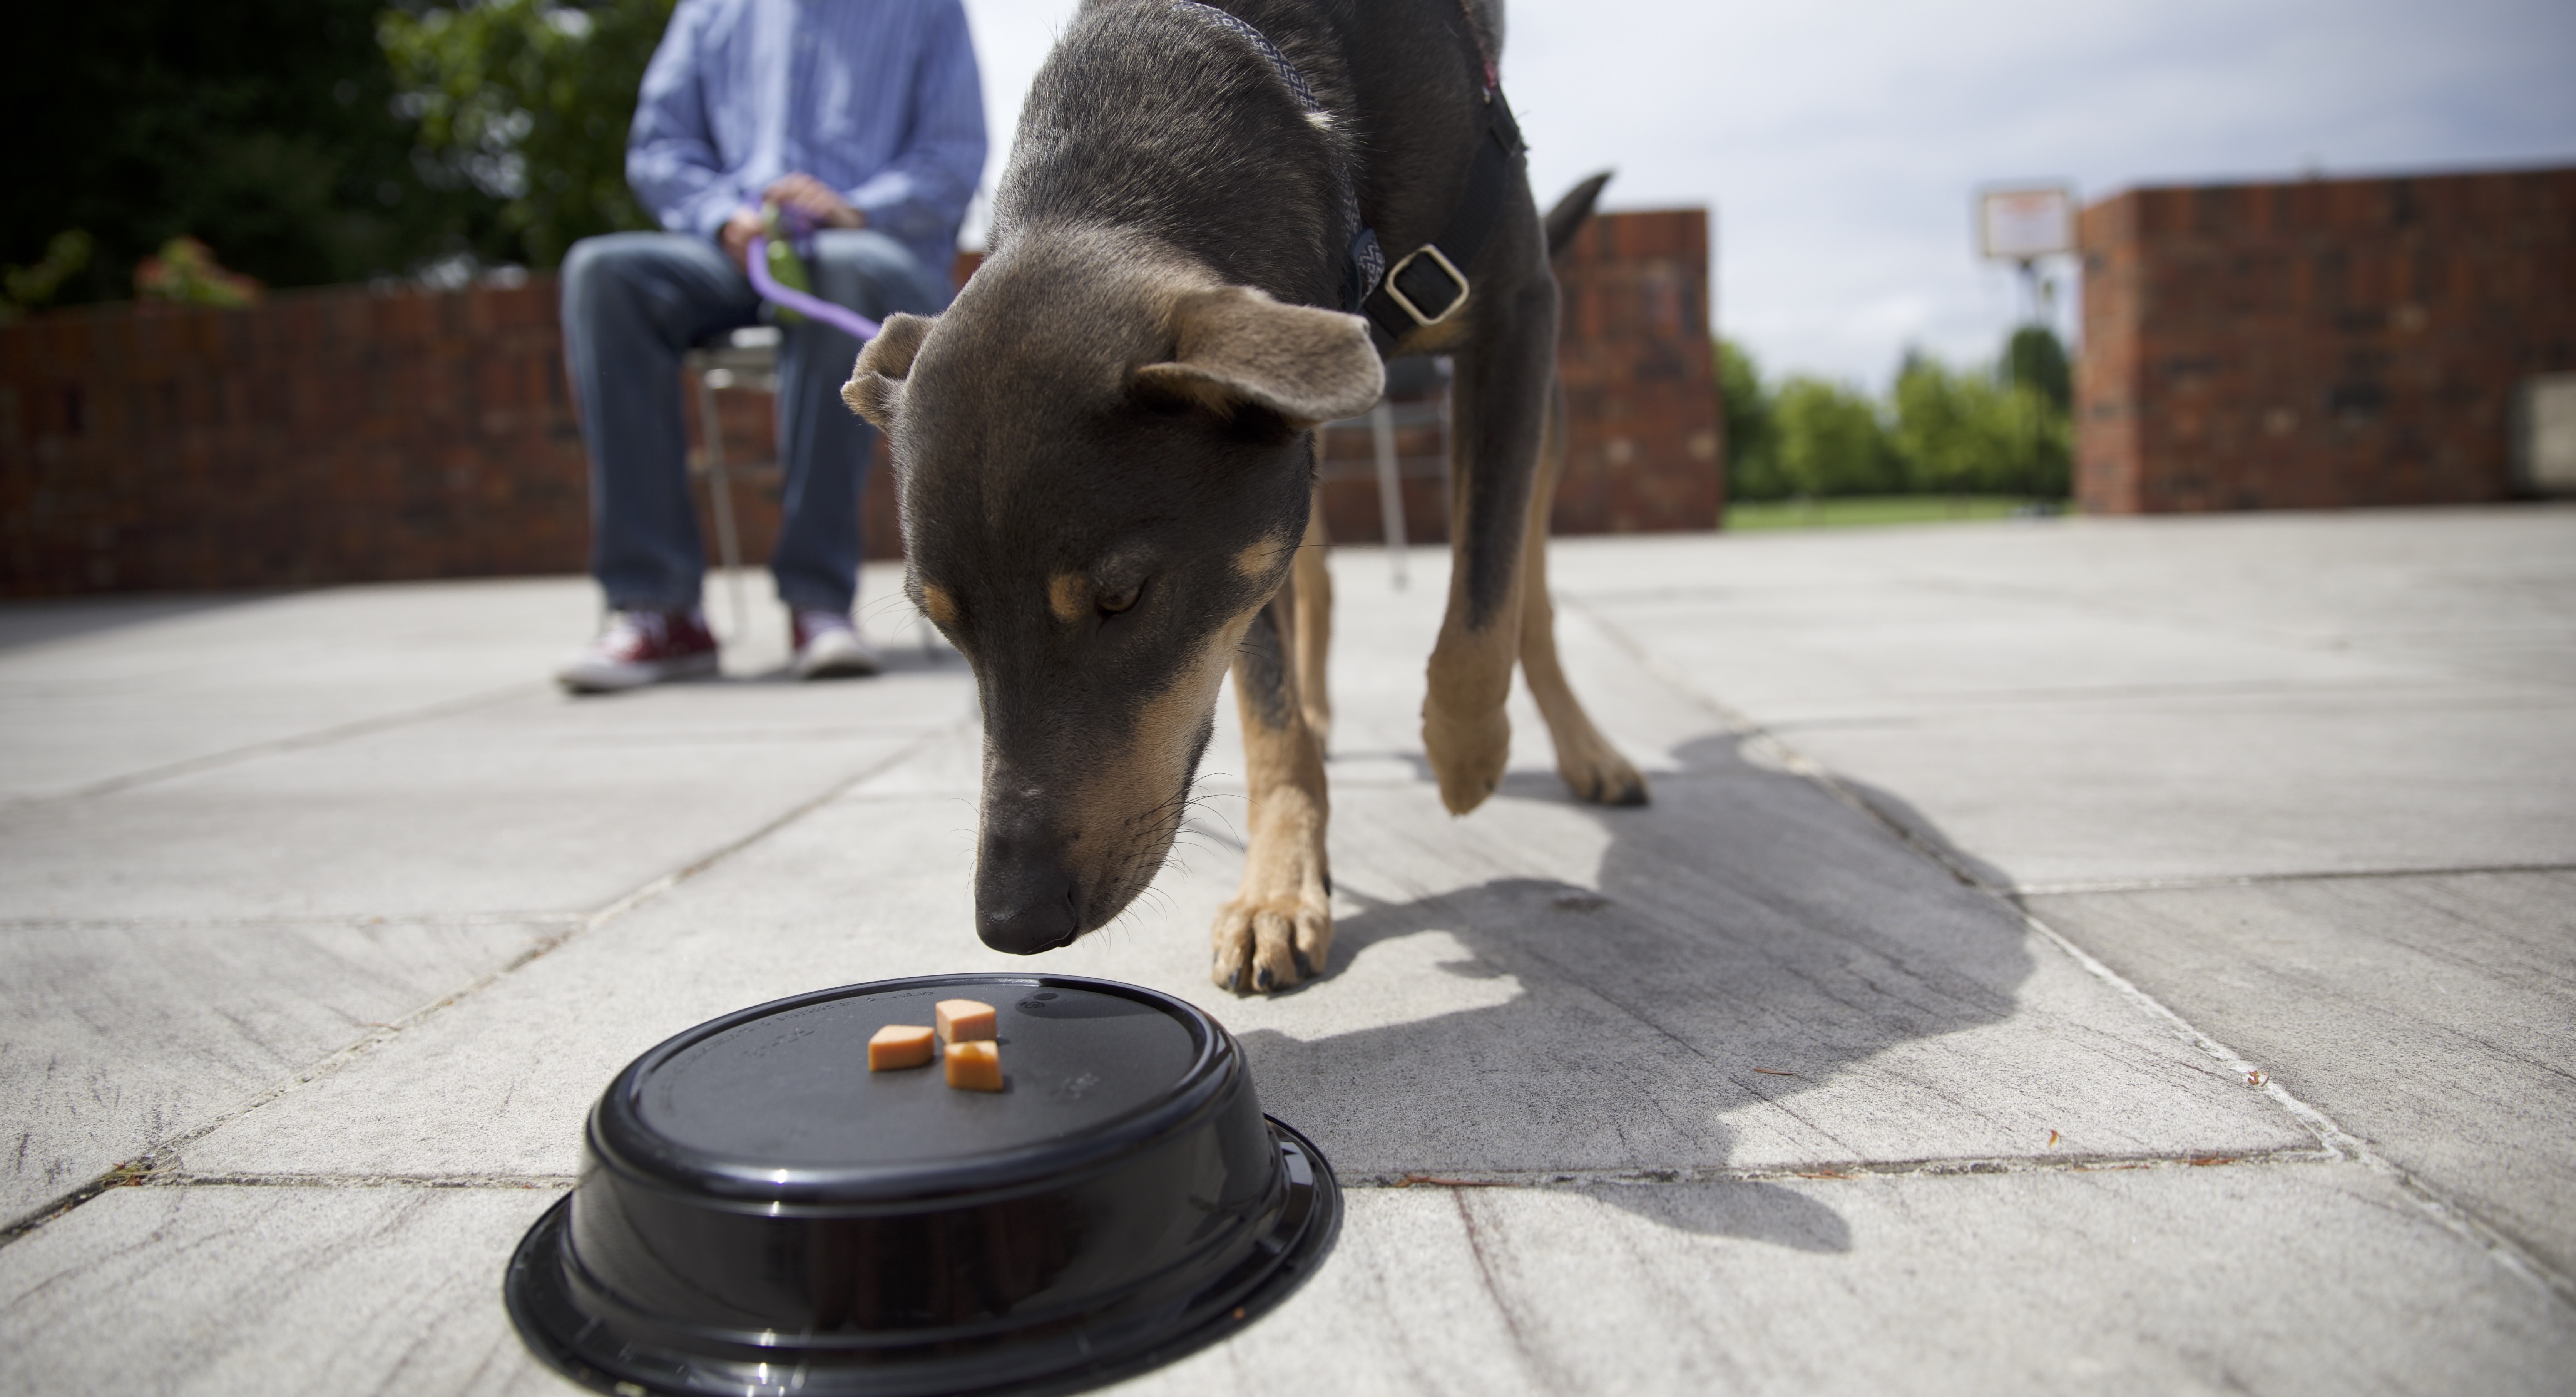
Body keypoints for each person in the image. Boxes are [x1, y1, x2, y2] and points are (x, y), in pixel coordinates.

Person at [555, 0, 985, 692]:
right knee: (603, 274)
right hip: (739, 250)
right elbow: (661, 146)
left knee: (839, 268)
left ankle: (818, 602)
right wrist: (723, 214)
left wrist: (855, 208)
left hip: (875, 251)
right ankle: (659, 610)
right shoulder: (710, 10)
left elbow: (952, 156)